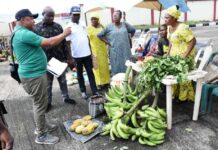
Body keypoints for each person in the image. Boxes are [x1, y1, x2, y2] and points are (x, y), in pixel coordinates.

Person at [12, 9, 71, 144]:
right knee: (39, 104)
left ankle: (41, 126)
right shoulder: (23, 34)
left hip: (33, 74)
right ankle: (42, 135)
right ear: (22, 20)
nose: (33, 21)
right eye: (30, 18)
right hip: (33, 75)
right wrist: (65, 33)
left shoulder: (20, 32)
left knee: (39, 102)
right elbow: (49, 42)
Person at [34, 6, 76, 112]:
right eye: (49, 16)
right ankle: (48, 103)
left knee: (63, 81)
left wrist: (68, 58)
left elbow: (64, 43)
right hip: (46, 61)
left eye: (53, 16)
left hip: (59, 60)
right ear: (43, 14)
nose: (51, 18)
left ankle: (66, 97)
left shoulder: (58, 27)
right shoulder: (36, 28)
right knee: (48, 84)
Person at [165, 5, 196, 102]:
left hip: (184, 55)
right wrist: (168, 53)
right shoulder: (169, 27)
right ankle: (176, 95)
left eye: (167, 17)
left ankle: (184, 98)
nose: (165, 19)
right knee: (174, 75)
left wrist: (185, 56)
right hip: (174, 55)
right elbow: (171, 41)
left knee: (183, 77)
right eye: (164, 17)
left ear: (174, 18)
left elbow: (193, 41)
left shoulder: (183, 27)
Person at [66, 6, 98, 99]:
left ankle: (95, 90)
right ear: (70, 15)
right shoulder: (68, 27)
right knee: (80, 74)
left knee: (90, 73)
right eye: (74, 15)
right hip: (77, 56)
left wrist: (91, 52)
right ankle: (83, 91)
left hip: (87, 54)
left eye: (78, 15)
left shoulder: (83, 23)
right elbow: (67, 43)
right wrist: (70, 57)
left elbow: (87, 39)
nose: (76, 17)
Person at [98, 10, 136, 75]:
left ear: (120, 17)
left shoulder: (125, 24)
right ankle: (117, 82)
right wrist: (107, 42)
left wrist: (129, 38)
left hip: (125, 50)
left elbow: (133, 30)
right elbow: (100, 35)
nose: (114, 17)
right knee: (116, 67)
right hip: (114, 51)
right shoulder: (109, 26)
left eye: (116, 15)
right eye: (113, 15)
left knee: (127, 65)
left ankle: (127, 80)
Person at [87, 13, 110, 90]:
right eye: (92, 19)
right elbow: (87, 41)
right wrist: (89, 52)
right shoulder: (89, 28)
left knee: (104, 66)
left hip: (103, 50)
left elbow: (106, 35)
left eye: (95, 19)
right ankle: (99, 84)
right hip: (94, 51)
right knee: (96, 68)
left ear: (98, 20)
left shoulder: (102, 27)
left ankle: (106, 82)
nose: (93, 20)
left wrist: (107, 41)